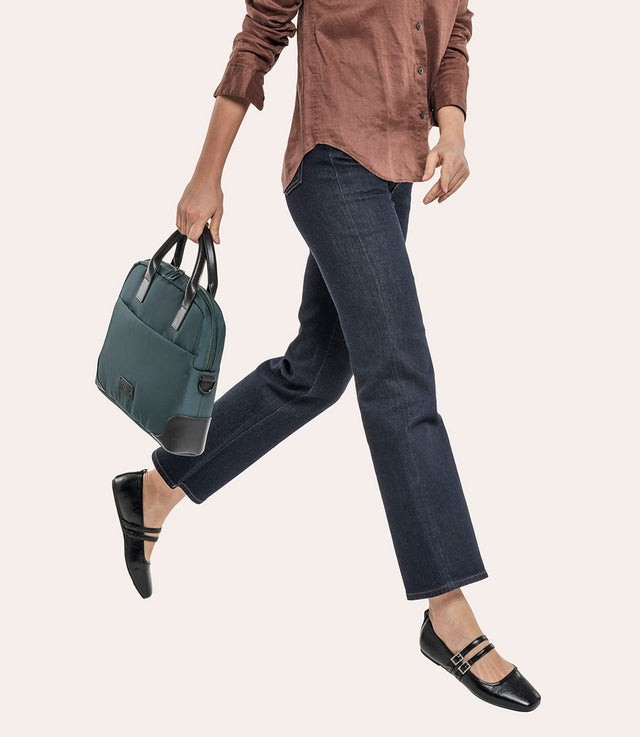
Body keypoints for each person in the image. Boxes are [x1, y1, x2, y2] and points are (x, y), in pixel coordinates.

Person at [111, 1, 541, 712]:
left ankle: (155, 488)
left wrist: (455, 126)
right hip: (332, 162)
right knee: (399, 375)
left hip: (395, 171)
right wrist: (206, 175)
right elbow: (261, 34)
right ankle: (448, 610)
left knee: (315, 374)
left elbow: (453, 30)